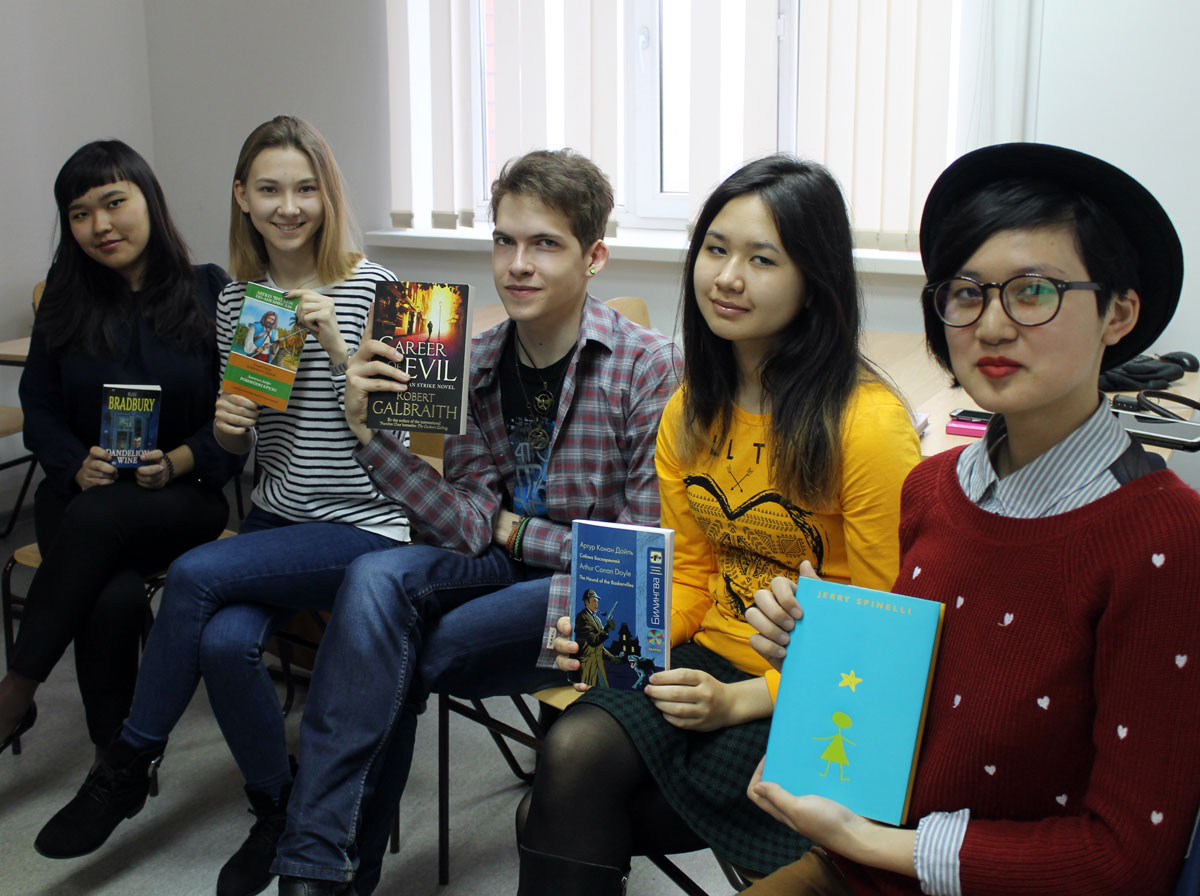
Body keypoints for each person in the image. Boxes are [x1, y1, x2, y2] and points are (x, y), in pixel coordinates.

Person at [744, 143, 1200, 895]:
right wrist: (823, 658)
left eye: (1033, 291)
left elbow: (1126, 859)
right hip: (862, 864)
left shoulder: (1166, 543)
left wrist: (873, 843)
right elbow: (932, 706)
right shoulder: (933, 487)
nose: (990, 326)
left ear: (1118, 312)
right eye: (966, 293)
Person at [269, 149, 681, 896]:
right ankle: (315, 872)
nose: (517, 264)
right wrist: (369, 434)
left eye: (545, 244)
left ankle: (325, 874)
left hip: (597, 597)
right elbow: (464, 524)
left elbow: (637, 552)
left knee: (398, 652)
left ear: (593, 257)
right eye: (504, 241)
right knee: (374, 576)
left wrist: (515, 532)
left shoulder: (647, 366)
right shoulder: (477, 358)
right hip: (497, 565)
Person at [519, 155, 923, 895]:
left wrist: (743, 698)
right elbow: (692, 576)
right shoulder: (689, 409)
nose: (727, 278)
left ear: (813, 280)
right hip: (707, 661)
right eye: (716, 249)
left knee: (563, 804)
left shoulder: (865, 426)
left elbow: (880, 634)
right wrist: (615, 631)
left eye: (762, 259)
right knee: (569, 752)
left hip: (818, 690)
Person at [33, 116, 409, 896]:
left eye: (305, 189)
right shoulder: (241, 300)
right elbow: (241, 445)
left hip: (366, 525)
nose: (288, 207)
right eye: (269, 189)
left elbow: (404, 447)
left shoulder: (381, 290)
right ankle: (276, 808)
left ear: (328, 195)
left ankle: (127, 760)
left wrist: (339, 354)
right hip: (278, 515)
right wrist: (231, 426)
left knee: (195, 575)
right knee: (222, 642)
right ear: (242, 197)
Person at [0, 140, 240, 761]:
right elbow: (40, 408)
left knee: (95, 524)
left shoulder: (211, 292)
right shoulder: (64, 298)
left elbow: (236, 420)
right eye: (80, 214)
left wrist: (178, 461)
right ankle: (117, 757)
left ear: (149, 201)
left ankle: (13, 695)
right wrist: (74, 465)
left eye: (113, 203)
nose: (100, 225)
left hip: (181, 500)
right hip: (82, 494)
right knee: (113, 593)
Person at [576, 589, 617, 688]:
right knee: (587, 691)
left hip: (598, 663)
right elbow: (593, 641)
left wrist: (612, 658)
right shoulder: (582, 617)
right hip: (588, 664)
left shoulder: (597, 620)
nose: (596, 604)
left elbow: (599, 645)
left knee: (604, 691)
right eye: (594, 601)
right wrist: (607, 628)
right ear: (586, 602)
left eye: (597, 601)